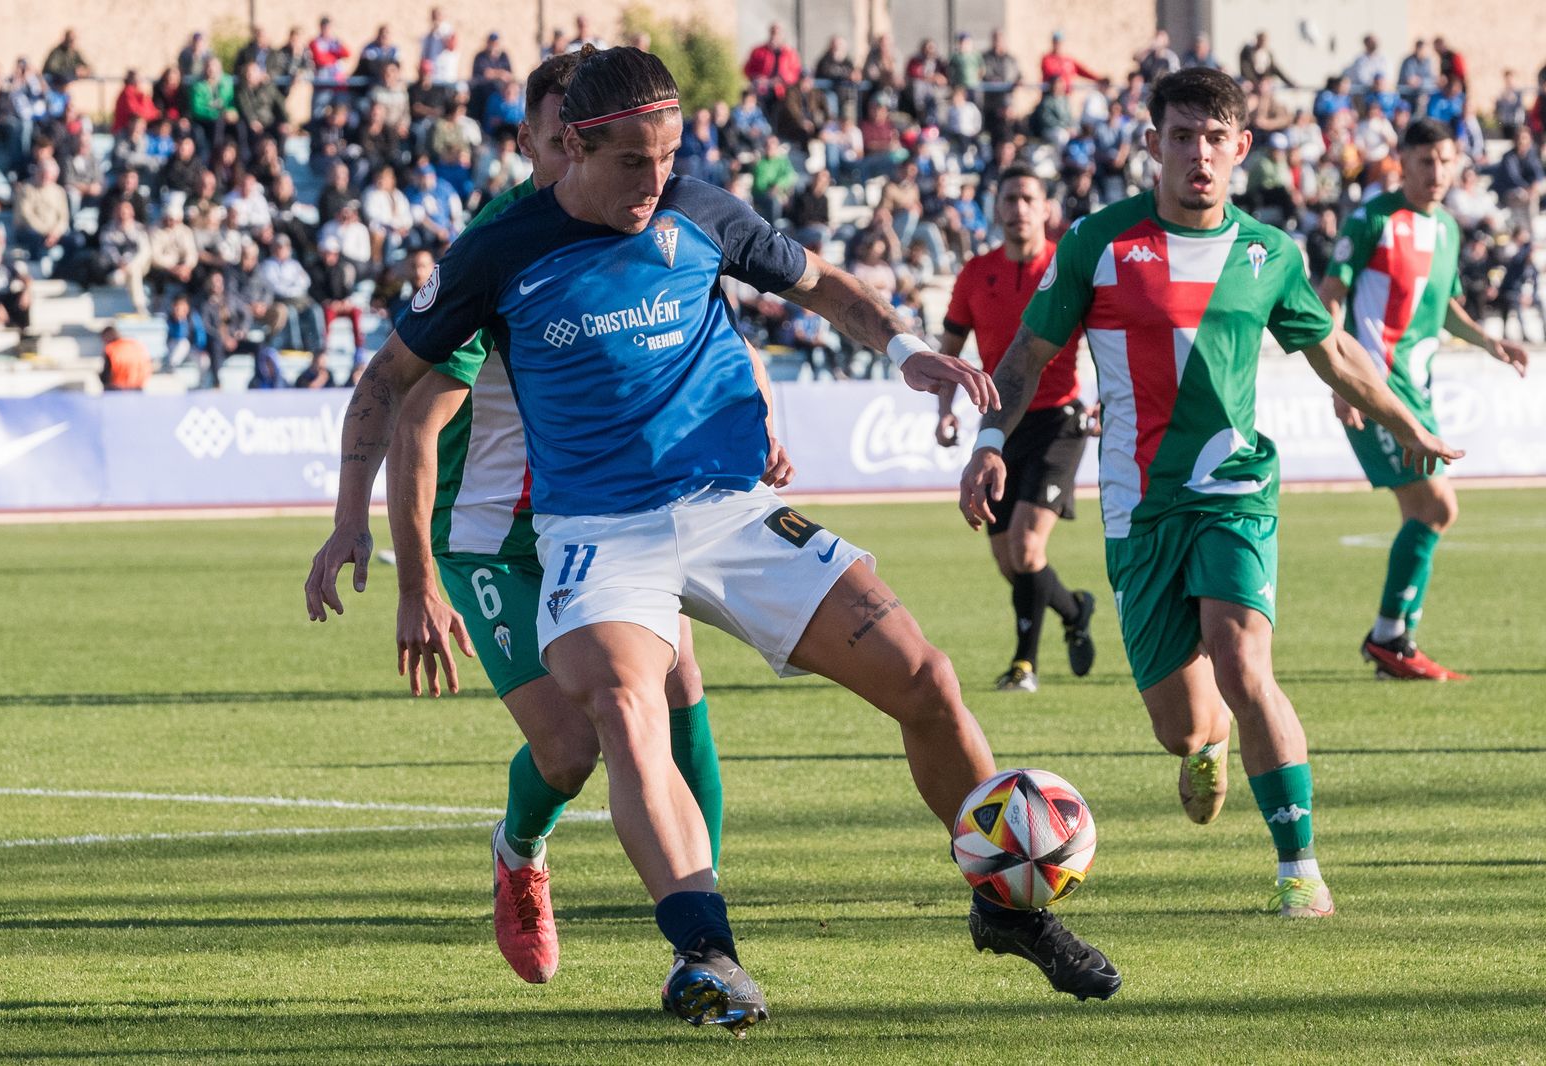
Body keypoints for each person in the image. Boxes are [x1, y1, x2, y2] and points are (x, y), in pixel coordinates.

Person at [325, 45, 1119, 1032]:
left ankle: (1007, 908)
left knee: (928, 677)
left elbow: (821, 284)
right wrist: (348, 518)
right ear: (572, 146)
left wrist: (911, 352)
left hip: (732, 510)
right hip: (597, 536)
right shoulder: (499, 252)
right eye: (630, 163)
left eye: (668, 157)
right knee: (621, 708)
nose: (654, 182)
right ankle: (706, 954)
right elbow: (387, 385)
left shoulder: (699, 210)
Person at [959, 67, 1462, 921]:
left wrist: (1408, 425)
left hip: (1235, 491)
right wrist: (987, 441)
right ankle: (1212, 742)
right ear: (1153, 144)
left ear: (1241, 147)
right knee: (1182, 728)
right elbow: (1023, 356)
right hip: (1138, 507)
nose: (1199, 153)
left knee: (1241, 660)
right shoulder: (1095, 243)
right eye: (1182, 136)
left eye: (1214, 138)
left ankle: (1299, 865)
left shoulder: (1270, 254)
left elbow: (1334, 353)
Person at [307, 53, 734, 988]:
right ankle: (520, 850)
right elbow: (417, 422)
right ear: (539, 140)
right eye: (556, 141)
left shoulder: (640, 218)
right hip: (498, 535)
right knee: (573, 746)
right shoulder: (502, 250)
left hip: (615, 516)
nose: (572, 159)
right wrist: (411, 577)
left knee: (677, 686)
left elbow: (708, 318)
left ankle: (708, 929)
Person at [1318, 119, 1530, 679]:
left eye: (1445, 160)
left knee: (1426, 513)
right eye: (1425, 161)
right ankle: (1391, 637)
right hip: (1378, 388)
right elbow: (1329, 299)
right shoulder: (1373, 220)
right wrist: (1340, 381)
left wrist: (1490, 341)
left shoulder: (1447, 231)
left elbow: (1446, 308)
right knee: (1438, 508)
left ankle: (1395, 640)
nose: (1437, 172)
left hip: (1420, 393)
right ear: (1403, 162)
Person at [934, 165, 1097, 693]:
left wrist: (1108, 400)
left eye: (1028, 198)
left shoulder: (1067, 265)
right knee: (1011, 561)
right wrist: (944, 408)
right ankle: (1074, 609)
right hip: (999, 426)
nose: (1018, 208)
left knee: (1026, 550)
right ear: (996, 206)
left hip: (1060, 420)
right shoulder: (975, 274)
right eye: (1009, 198)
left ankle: (1024, 665)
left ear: (1046, 206)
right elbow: (951, 352)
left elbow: (1107, 336)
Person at [99, 324, 151, 390]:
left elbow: (106, 374)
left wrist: (101, 378)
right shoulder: (136, 345)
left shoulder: (111, 349)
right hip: (138, 386)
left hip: (117, 388)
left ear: (106, 337)